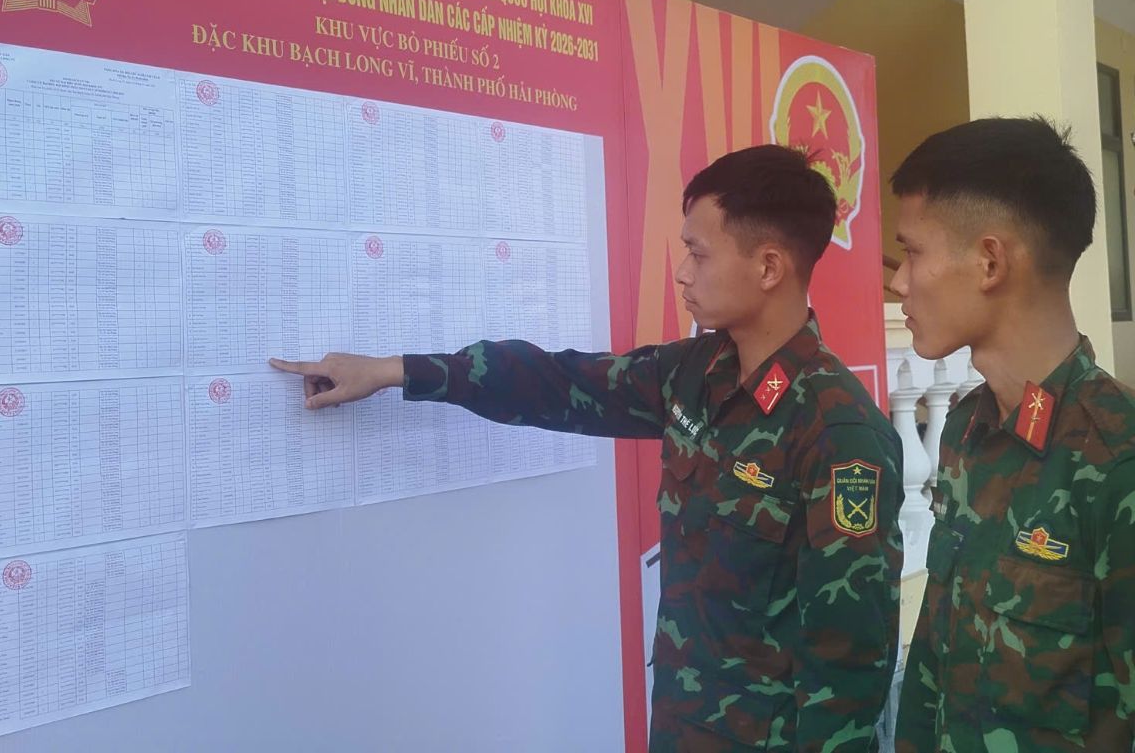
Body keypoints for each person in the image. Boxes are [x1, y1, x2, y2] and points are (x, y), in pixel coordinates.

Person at [271, 144, 903, 752]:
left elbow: (848, 666)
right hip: (682, 728)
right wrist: (395, 371)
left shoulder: (839, 435)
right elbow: (559, 382)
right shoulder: (695, 373)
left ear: (768, 267)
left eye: (698, 253)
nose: (682, 272)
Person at [890, 117, 1135, 752]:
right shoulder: (967, 429)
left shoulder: (1118, 460)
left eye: (913, 252)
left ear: (991, 261)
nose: (898, 282)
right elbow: (934, 658)